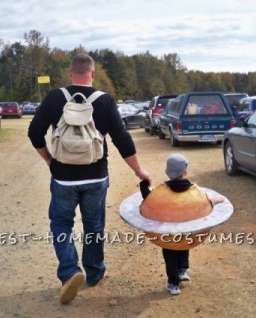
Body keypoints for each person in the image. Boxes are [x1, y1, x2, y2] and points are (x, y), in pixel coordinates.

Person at [28, 53, 151, 304]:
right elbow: (121, 139)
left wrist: (50, 160)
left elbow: (34, 132)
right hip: (96, 177)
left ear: (70, 72)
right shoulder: (104, 101)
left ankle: (70, 271)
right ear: (92, 74)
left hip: (63, 178)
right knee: (94, 226)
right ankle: (94, 273)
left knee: (61, 224)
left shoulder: (54, 97)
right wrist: (139, 171)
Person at [140, 153, 224, 296]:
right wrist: (217, 200)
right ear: (185, 172)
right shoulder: (195, 191)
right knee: (185, 243)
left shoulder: (159, 192)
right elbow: (206, 203)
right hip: (186, 231)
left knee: (170, 254)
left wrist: (144, 183)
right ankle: (183, 269)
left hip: (166, 235)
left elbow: (147, 198)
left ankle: (173, 283)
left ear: (168, 172)